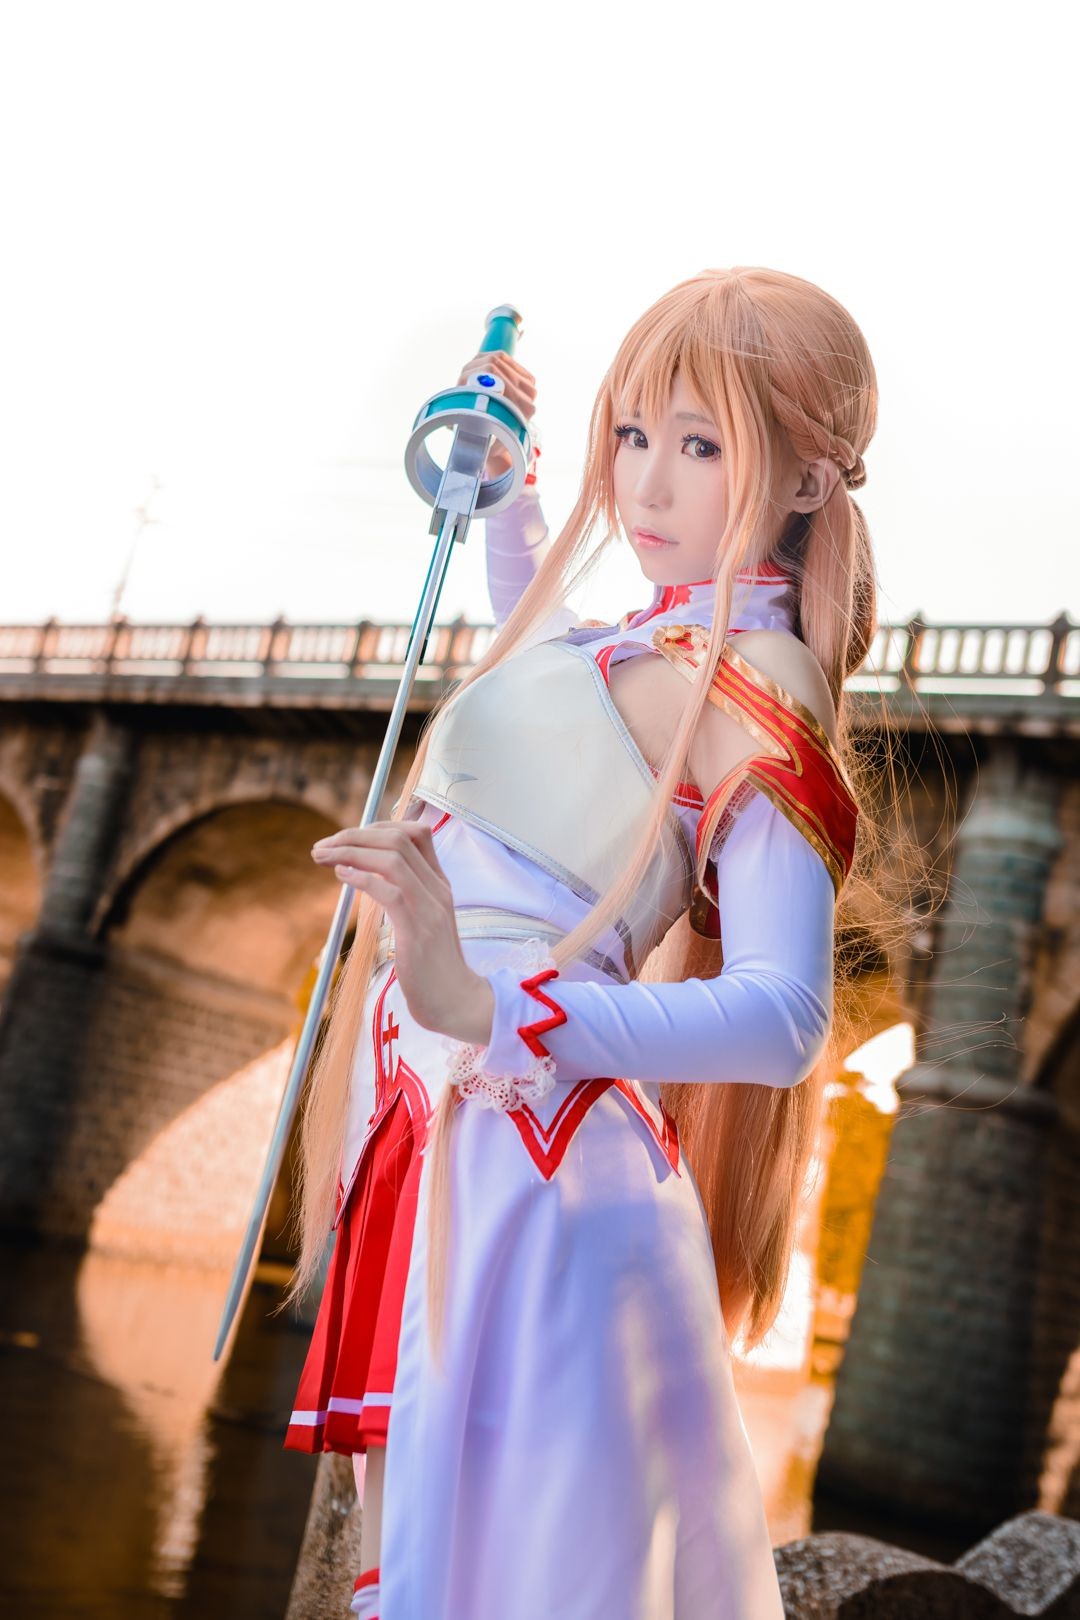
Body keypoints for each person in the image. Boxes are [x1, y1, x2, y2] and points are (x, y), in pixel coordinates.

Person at [284, 267, 882, 1619]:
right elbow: (552, 696)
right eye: (633, 435)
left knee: (494, 1576)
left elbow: (784, 1017)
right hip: (447, 1116)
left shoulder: (759, 680)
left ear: (804, 480)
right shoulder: (635, 646)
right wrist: (505, 483)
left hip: (533, 1152)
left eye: (703, 447)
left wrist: (496, 1006)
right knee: (419, 1560)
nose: (649, 486)